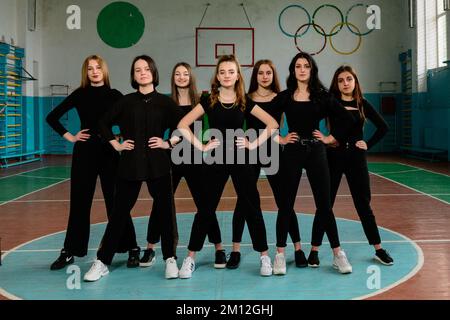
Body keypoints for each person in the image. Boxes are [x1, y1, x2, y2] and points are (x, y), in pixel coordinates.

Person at [176, 55, 279, 278]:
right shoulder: (209, 100)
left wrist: (253, 143)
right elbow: (182, 125)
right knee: (205, 208)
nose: (226, 75)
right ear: (218, 75)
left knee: (252, 206)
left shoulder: (244, 100)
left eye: (231, 71)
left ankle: (264, 256)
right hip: (215, 158)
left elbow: (273, 124)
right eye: (222, 72)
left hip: (241, 158)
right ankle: (190, 259)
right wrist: (202, 146)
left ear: (237, 75)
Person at [83, 55, 182, 282]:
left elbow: (184, 126)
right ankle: (102, 261)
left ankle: (170, 258)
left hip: (158, 164)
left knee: (166, 213)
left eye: (146, 69)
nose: (142, 73)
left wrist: (169, 143)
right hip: (130, 165)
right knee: (118, 214)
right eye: (138, 70)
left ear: (153, 73)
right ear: (133, 75)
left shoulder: (166, 103)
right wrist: (116, 143)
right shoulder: (126, 102)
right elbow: (102, 123)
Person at [273, 52, 354, 275]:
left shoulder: (322, 96)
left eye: (305, 66)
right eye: (297, 66)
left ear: (311, 70)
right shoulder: (286, 96)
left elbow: (348, 119)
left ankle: (338, 254)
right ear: (293, 70)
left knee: (325, 205)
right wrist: (278, 137)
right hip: (292, 151)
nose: (301, 70)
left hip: (316, 151)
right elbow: (264, 118)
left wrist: (331, 138)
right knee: (286, 205)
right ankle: (280, 253)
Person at [141, 62, 226, 268]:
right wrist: (164, 143)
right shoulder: (165, 102)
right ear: (173, 78)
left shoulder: (203, 100)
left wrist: (207, 144)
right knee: (161, 203)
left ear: (191, 77)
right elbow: (159, 129)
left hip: (197, 158)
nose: (181, 77)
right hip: (172, 158)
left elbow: (213, 125)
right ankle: (151, 247)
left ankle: (219, 247)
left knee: (205, 204)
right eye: (177, 74)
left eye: (185, 73)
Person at [46, 55, 125, 270]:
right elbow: (52, 117)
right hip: (85, 152)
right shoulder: (80, 94)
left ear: (104, 70)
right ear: (86, 72)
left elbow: (128, 119)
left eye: (98, 67)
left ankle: (129, 246)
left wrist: (117, 136)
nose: (94, 71)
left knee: (117, 201)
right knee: (80, 202)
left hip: (109, 152)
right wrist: (70, 136)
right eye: (90, 68)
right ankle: (70, 250)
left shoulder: (115, 95)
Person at [313, 65, 393, 265]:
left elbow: (384, 127)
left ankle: (378, 248)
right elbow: (310, 118)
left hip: (356, 159)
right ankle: (314, 250)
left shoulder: (362, 103)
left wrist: (368, 145)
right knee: (325, 204)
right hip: (333, 157)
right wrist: (325, 138)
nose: (345, 83)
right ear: (336, 84)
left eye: (349, 79)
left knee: (363, 204)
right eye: (341, 80)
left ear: (355, 81)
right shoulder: (331, 102)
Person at [226, 59, 301, 269]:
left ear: (273, 75)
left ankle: (297, 248)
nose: (265, 76)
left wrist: (283, 139)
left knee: (284, 201)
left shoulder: (281, 98)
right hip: (249, 151)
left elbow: (276, 126)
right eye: (261, 73)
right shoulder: (245, 98)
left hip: (273, 151)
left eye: (268, 73)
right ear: (255, 76)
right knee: (244, 200)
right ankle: (235, 250)